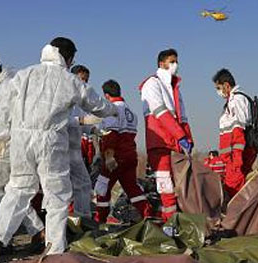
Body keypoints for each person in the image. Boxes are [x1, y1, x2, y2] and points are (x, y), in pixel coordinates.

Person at [0, 37, 117, 256]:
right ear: (70, 57)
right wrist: (113, 110)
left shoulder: (24, 74)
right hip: (50, 142)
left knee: (18, 189)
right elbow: (95, 103)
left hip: (20, 140)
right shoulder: (69, 80)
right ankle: (54, 248)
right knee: (56, 194)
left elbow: (2, 104)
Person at [0, 50, 45, 237]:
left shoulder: (8, 86)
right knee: (13, 193)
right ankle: (38, 232)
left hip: (7, 146)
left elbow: (10, 118)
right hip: (3, 145)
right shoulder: (2, 85)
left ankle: (0, 238)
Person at [140, 48, 194, 221]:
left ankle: (171, 220)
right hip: (160, 141)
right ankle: (169, 223)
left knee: (178, 184)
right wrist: (181, 136)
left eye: (176, 61)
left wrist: (188, 138)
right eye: (172, 61)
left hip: (174, 141)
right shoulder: (152, 83)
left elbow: (182, 116)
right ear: (161, 63)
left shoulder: (175, 88)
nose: (175, 65)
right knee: (166, 186)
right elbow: (160, 112)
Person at [94, 80, 152, 223]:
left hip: (115, 158)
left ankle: (99, 221)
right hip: (130, 157)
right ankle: (148, 216)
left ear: (106, 96)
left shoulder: (111, 110)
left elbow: (111, 135)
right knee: (133, 189)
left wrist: (108, 156)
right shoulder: (131, 112)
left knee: (102, 188)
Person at [213, 68, 255, 196]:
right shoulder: (231, 102)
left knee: (234, 190)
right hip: (231, 159)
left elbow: (238, 131)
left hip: (236, 159)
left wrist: (237, 160)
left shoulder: (237, 100)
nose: (218, 92)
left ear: (226, 85)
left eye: (218, 88)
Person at [69, 64, 96, 217]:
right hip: (59, 149)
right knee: (63, 189)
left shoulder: (79, 103)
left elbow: (84, 124)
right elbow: (59, 121)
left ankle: (82, 218)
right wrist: (79, 120)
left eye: (86, 80)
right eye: (81, 80)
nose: (84, 83)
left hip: (74, 151)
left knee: (84, 184)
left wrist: (94, 130)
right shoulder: (63, 96)